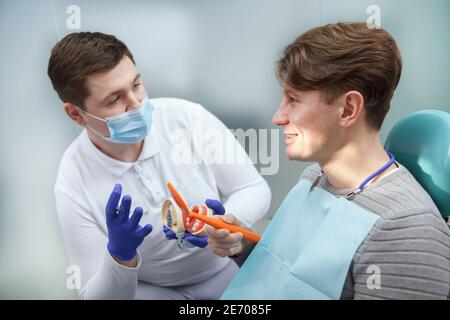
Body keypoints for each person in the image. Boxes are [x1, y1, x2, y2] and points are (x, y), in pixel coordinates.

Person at [206, 22, 450, 299]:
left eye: (294, 100)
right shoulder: (315, 177)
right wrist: (242, 243)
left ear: (348, 109)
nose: (278, 117)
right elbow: (285, 274)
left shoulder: (406, 230)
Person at [48, 32, 271, 299]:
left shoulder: (187, 119)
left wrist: (227, 222)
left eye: (137, 84)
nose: (137, 103)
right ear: (76, 113)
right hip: (155, 292)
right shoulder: (73, 181)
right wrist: (120, 258)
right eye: (114, 99)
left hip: (227, 270)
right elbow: (94, 297)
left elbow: (253, 187)